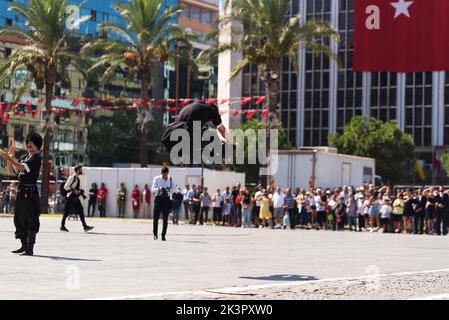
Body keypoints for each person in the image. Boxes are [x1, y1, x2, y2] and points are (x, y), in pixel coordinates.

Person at [0, 133, 42, 256]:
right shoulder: (25, 157)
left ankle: (30, 248)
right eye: (28, 142)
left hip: (30, 192)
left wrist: (9, 158)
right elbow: (11, 170)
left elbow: (22, 168)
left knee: (31, 219)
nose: (29, 145)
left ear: (38, 145)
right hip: (21, 191)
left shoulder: (36, 158)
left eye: (32, 143)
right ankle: (24, 245)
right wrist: (10, 158)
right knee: (19, 218)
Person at [162, 101, 235, 165]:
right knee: (211, 137)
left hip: (174, 135)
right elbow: (222, 130)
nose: (208, 122)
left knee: (199, 148)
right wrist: (230, 141)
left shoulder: (190, 107)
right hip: (188, 133)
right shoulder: (212, 110)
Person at [60, 165, 94, 232]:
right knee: (66, 212)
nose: (81, 171)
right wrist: (73, 190)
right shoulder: (72, 177)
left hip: (75, 197)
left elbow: (75, 188)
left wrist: (79, 190)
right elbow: (65, 187)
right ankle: (62, 226)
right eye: (81, 169)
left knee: (81, 210)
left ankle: (85, 226)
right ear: (78, 170)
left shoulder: (77, 178)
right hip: (70, 197)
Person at [151, 167, 175, 241]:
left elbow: (174, 189)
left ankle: (163, 235)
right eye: (163, 175)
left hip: (166, 200)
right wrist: (159, 189)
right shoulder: (157, 178)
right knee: (156, 217)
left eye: (166, 175)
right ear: (161, 173)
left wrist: (169, 190)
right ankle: (155, 234)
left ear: (168, 173)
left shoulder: (170, 179)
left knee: (165, 218)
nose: (165, 176)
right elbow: (152, 189)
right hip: (158, 199)